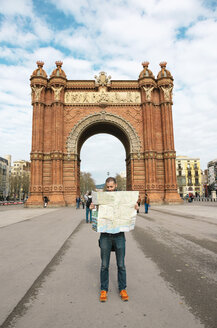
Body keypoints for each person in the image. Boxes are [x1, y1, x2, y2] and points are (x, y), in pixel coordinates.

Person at [91, 177, 138, 302]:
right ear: (106, 187)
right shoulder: (101, 198)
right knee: (104, 265)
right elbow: (95, 212)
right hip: (105, 235)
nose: (110, 189)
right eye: (108, 187)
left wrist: (135, 208)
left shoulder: (123, 198)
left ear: (116, 185)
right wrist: (92, 207)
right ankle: (103, 289)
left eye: (111, 187)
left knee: (121, 265)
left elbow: (130, 209)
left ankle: (123, 288)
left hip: (119, 235)